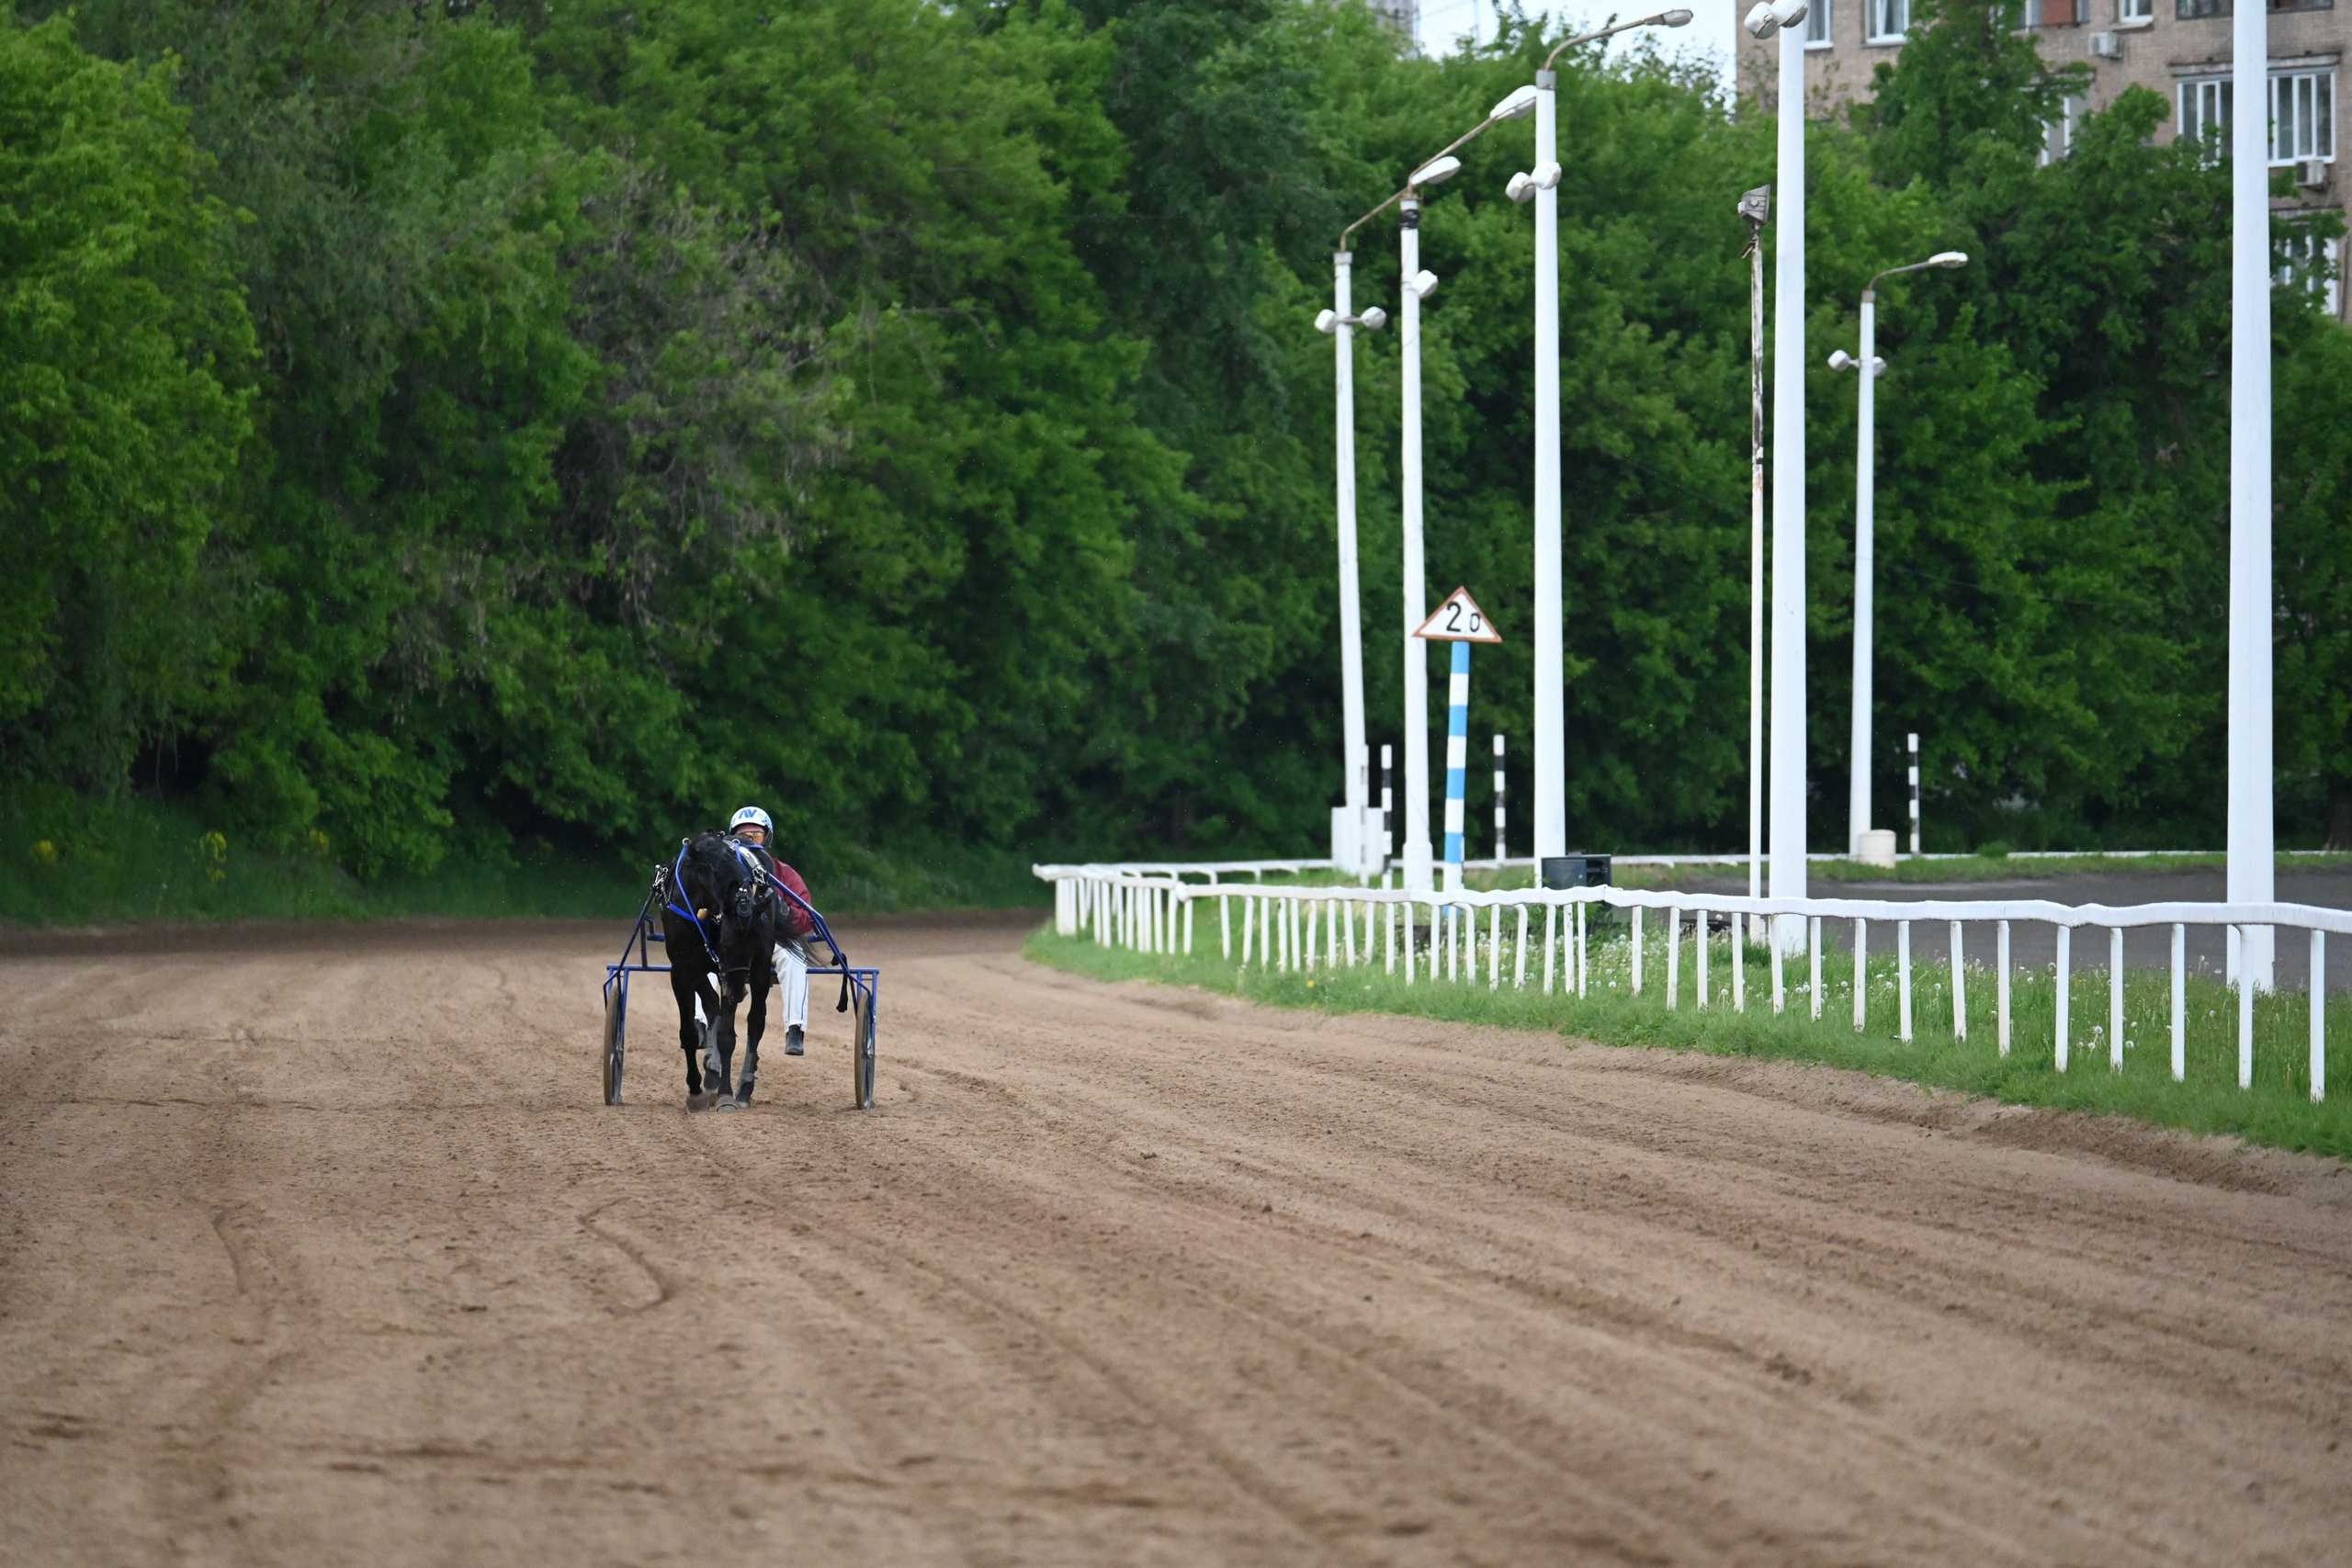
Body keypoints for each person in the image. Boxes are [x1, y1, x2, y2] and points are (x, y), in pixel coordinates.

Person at [727, 806, 811, 1055]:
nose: (749, 842)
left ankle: (794, 1030)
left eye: (756, 836)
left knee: (794, 954)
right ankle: (700, 1024)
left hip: (771, 942)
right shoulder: (723, 873)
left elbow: (806, 917)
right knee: (706, 956)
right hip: (732, 944)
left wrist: (785, 916)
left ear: (767, 839)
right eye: (743, 837)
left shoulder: (783, 873)